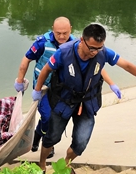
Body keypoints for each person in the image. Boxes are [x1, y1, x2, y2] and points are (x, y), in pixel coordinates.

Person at [32, 23, 136, 173]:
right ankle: (42, 164)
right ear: (82, 40)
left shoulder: (103, 52)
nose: (94, 52)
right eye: (92, 48)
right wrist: (37, 90)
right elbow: (46, 70)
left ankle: (66, 164)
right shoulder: (63, 52)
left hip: (87, 102)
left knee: (81, 142)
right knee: (52, 137)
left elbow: (126, 65)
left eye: (98, 48)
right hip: (64, 100)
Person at [14, 17, 120, 155]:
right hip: (44, 87)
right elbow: (26, 59)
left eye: (65, 33)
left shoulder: (78, 44)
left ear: (71, 28)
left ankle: (41, 137)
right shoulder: (42, 43)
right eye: (58, 33)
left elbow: (97, 67)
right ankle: (43, 139)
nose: (62, 36)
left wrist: (111, 83)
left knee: (51, 119)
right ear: (53, 29)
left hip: (61, 90)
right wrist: (20, 80)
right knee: (46, 117)